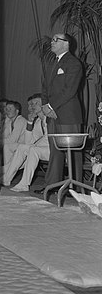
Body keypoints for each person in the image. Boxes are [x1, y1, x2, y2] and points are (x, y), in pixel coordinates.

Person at [34, 33, 84, 195]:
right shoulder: (51, 64)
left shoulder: (73, 63)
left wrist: (51, 106)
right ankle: (53, 186)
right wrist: (45, 106)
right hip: (52, 114)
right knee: (55, 151)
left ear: (66, 44)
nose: (52, 42)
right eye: (53, 39)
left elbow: (69, 90)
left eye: (56, 39)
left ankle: (75, 188)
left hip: (68, 115)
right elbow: (44, 88)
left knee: (73, 152)